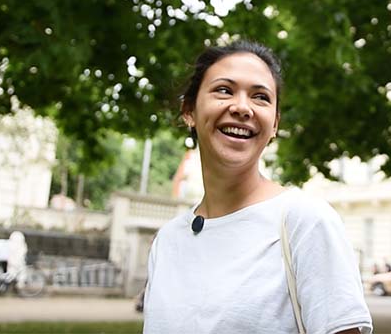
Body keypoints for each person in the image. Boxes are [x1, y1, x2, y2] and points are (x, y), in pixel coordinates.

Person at [143, 41, 372, 334]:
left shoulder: (305, 221)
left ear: (274, 124)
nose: (242, 108)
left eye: (260, 97)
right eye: (224, 90)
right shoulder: (168, 241)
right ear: (189, 110)